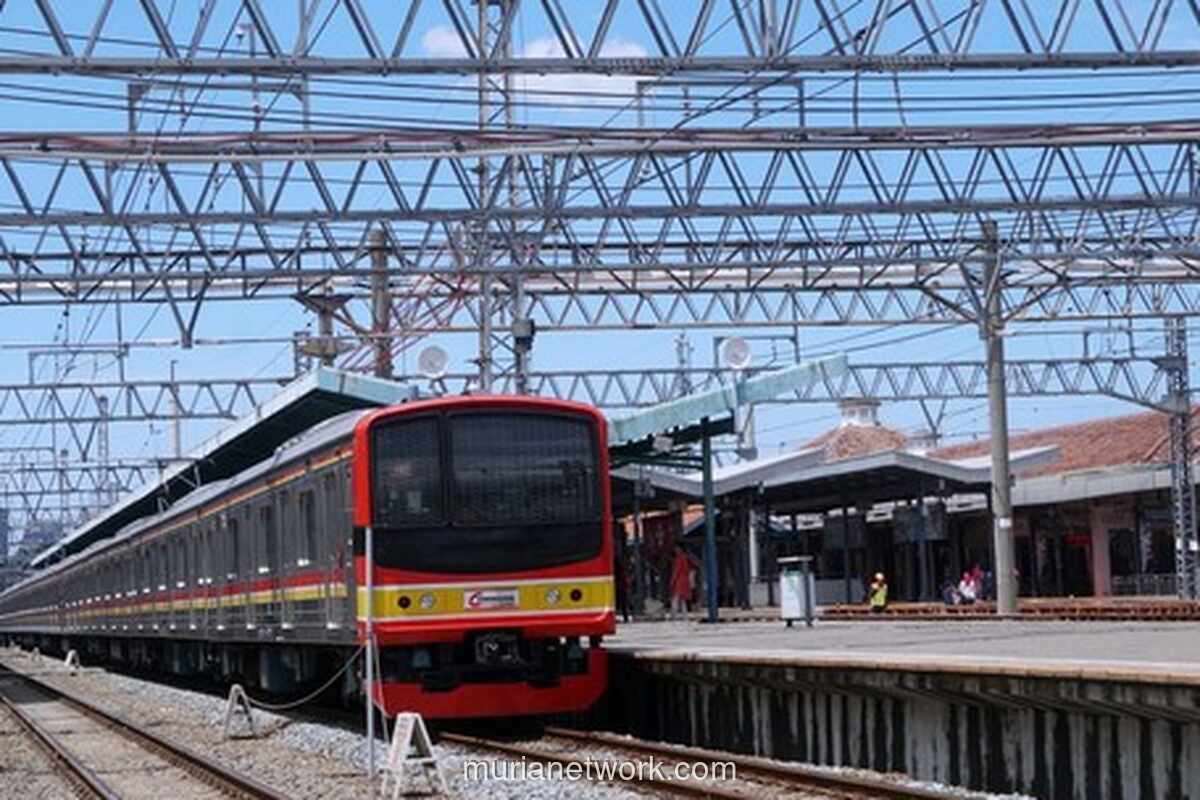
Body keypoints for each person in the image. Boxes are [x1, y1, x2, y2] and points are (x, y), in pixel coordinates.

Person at [669, 546, 694, 620]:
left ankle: (674, 616)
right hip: (685, 582)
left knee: (675, 599)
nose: (675, 549)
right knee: (683, 600)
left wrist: (672, 581)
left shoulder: (679, 559)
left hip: (679, 582)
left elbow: (676, 571)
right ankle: (685, 616)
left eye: (676, 548)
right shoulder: (686, 558)